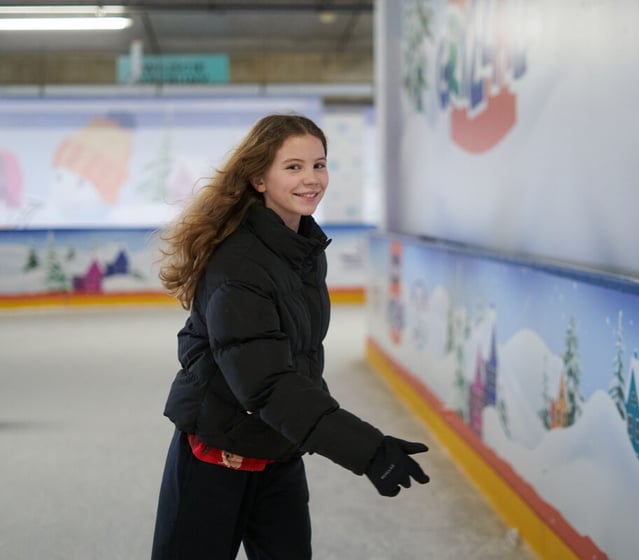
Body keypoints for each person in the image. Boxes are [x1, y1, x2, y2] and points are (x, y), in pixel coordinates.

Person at [151, 113, 430, 559]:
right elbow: (266, 383)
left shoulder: (303, 251)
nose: (312, 179)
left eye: (319, 165)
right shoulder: (238, 264)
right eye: (294, 167)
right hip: (214, 457)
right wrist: (366, 449)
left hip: (277, 453)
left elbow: (299, 359)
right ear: (259, 179)